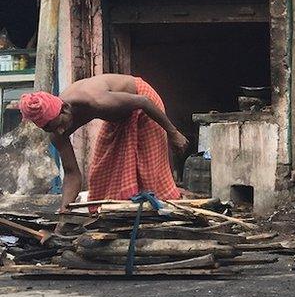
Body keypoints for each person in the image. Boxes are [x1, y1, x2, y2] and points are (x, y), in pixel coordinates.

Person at [18, 74, 189, 212]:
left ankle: (161, 215)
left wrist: (173, 133)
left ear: (65, 109)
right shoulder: (56, 132)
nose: (60, 132)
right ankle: (120, 218)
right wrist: (64, 209)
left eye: (60, 125)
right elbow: (72, 174)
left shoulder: (95, 101)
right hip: (117, 117)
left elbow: (143, 101)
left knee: (149, 170)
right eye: (51, 129)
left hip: (143, 103)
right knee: (103, 170)